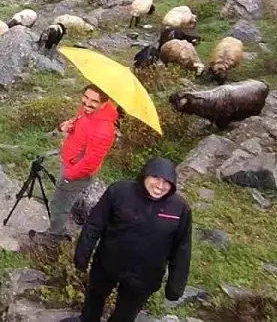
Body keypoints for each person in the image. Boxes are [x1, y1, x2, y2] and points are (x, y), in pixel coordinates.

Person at [70, 157, 192, 322]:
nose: (160, 186)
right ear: (145, 175)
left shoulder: (180, 208)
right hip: (108, 263)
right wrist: (82, 255)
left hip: (144, 276)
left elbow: (182, 249)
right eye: (156, 178)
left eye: (167, 182)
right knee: (94, 299)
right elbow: (94, 224)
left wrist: (175, 287)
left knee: (125, 315)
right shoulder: (119, 192)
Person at [45, 84, 119, 236]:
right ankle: (74, 208)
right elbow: (79, 124)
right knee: (65, 198)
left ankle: (54, 237)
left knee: (58, 206)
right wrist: (66, 127)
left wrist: (69, 176)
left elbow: (90, 162)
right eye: (85, 97)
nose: (87, 103)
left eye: (93, 101)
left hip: (76, 173)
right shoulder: (87, 111)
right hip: (70, 163)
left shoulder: (104, 130)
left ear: (104, 103)